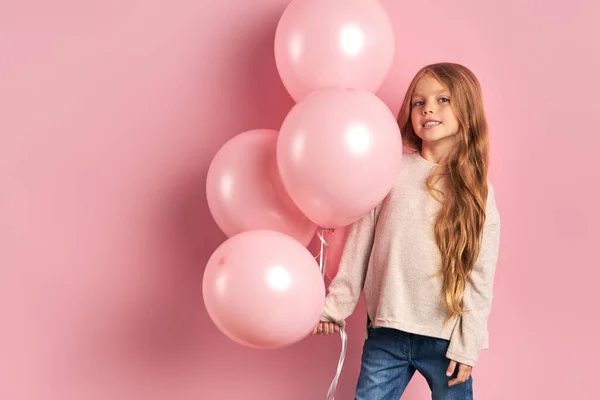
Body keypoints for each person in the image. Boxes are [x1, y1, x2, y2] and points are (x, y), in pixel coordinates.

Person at [312, 62, 501, 400]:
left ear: (467, 111)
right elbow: (360, 246)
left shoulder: (476, 190)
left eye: (443, 99)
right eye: (419, 102)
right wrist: (335, 308)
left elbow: (479, 275)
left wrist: (468, 346)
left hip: (445, 339)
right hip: (387, 331)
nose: (428, 107)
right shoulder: (389, 170)